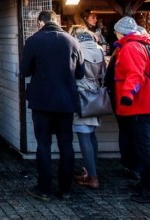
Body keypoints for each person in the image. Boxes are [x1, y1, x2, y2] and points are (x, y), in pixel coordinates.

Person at [20, 10, 85, 201]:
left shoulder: (34, 40)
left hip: (42, 100)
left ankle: (44, 189)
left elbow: (25, 70)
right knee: (66, 145)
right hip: (66, 101)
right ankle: (66, 189)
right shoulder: (72, 41)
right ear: (56, 21)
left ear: (41, 23)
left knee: (43, 145)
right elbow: (80, 73)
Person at [113, 16, 150, 203]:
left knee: (144, 148)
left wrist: (127, 95)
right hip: (145, 101)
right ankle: (147, 183)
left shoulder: (130, 47)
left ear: (121, 32)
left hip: (139, 103)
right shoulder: (140, 44)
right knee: (145, 146)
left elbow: (135, 74)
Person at [69, 25, 106, 190]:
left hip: (81, 94)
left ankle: (92, 176)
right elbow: (104, 73)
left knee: (84, 135)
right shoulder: (99, 49)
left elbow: (72, 72)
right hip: (95, 94)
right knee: (91, 135)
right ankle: (89, 170)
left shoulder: (76, 49)